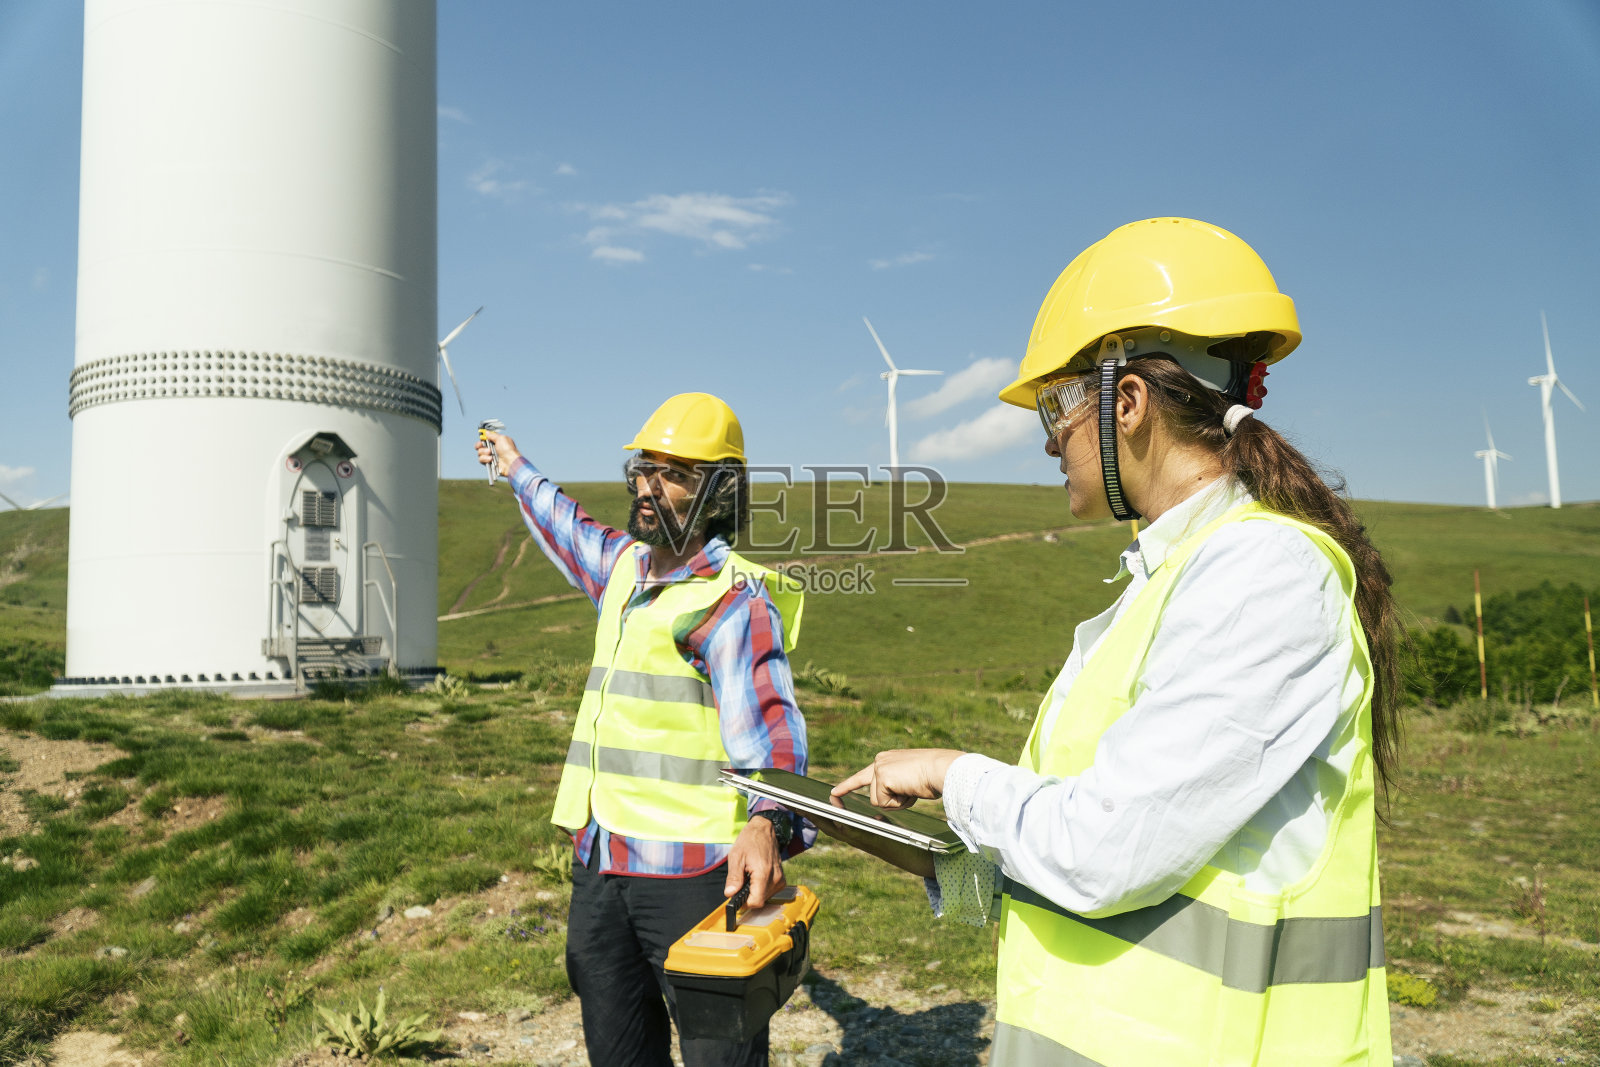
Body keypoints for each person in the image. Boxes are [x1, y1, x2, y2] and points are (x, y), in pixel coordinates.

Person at [827, 218, 1400, 1066]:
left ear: (1126, 403)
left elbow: (1106, 852)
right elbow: (1138, 853)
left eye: (1057, 405)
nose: (1048, 438)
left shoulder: (1265, 574)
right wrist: (961, 857)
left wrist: (955, 773)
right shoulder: (1172, 580)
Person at [477, 392, 811, 1067]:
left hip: (697, 878)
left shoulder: (731, 602)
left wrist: (767, 823)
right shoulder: (623, 568)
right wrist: (514, 466)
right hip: (601, 869)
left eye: (674, 473)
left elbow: (773, 735)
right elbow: (565, 525)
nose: (647, 485)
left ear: (719, 492)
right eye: (643, 466)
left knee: (723, 1057)